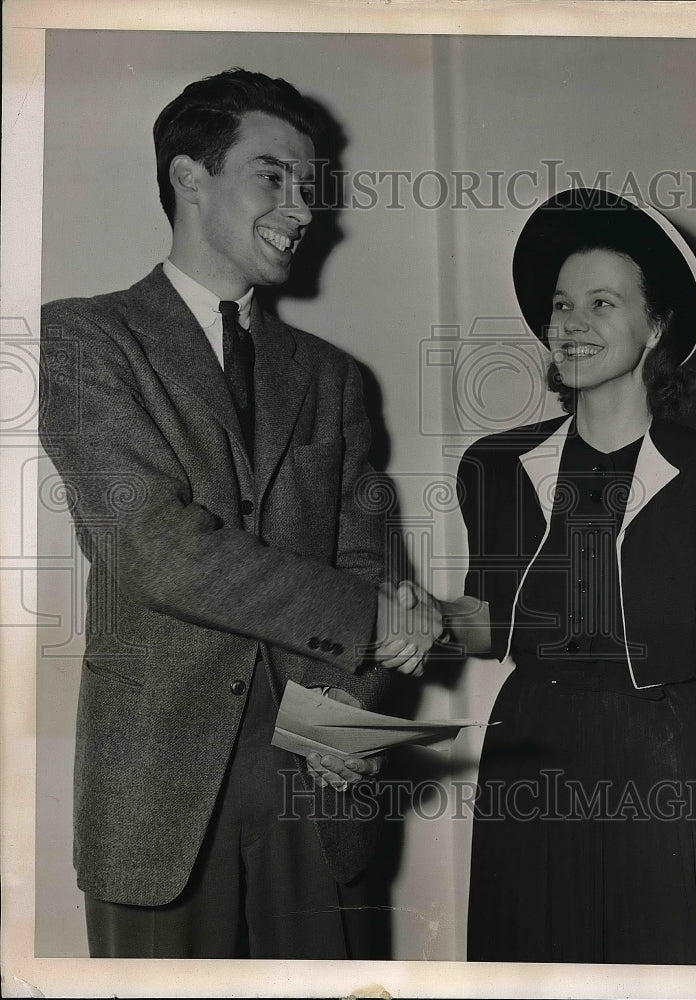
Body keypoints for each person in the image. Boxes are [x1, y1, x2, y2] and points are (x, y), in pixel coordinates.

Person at [38, 68, 441, 960]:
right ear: (189, 177)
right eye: (274, 176)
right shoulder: (82, 340)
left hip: (318, 786)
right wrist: (370, 622)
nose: (302, 208)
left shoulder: (335, 377)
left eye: (310, 185)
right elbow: (154, 548)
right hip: (157, 799)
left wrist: (349, 711)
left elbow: (369, 556)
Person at [449, 187, 696, 964]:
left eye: (602, 303)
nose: (571, 323)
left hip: (667, 756)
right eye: (561, 304)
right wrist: (422, 619)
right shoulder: (494, 466)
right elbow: (491, 628)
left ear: (655, 327)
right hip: (529, 747)